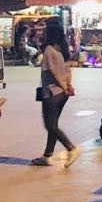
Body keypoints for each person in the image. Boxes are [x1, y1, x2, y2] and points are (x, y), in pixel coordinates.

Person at [31, 18, 80, 168]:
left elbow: (51, 71)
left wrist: (62, 86)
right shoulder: (61, 50)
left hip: (52, 92)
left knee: (50, 125)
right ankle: (47, 155)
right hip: (62, 94)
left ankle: (72, 148)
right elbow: (68, 70)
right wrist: (68, 85)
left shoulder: (48, 50)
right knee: (53, 124)